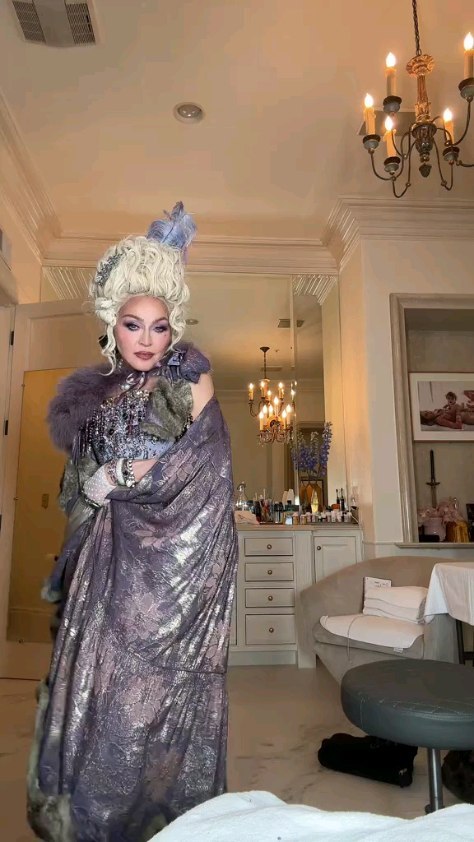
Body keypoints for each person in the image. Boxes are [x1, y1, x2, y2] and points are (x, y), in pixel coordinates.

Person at [27, 203, 238, 842]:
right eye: (132, 325)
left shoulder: (190, 381)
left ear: (175, 332)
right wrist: (94, 488)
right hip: (104, 567)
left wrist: (120, 476)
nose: (146, 339)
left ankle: (160, 816)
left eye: (159, 327)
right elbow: (80, 490)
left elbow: (204, 469)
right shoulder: (99, 396)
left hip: (172, 574)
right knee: (102, 695)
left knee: (155, 697)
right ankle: (95, 817)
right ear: (112, 327)